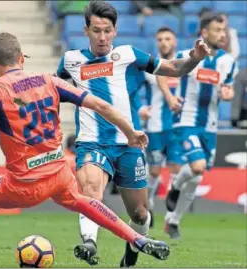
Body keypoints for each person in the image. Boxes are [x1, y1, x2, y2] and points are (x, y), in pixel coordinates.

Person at [0, 32, 171, 263]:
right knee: (84, 202)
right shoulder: (50, 80)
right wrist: (130, 131)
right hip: (59, 174)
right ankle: (136, 238)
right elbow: (101, 106)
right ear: (21, 58)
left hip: (23, 184)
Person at [56, 1, 210, 267]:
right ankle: (90, 244)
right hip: (92, 142)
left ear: (115, 31)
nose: (102, 36)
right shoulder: (71, 60)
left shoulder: (128, 54)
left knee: (140, 214)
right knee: (91, 191)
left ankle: (130, 255)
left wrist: (194, 58)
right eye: (96, 30)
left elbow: (174, 68)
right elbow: (51, 90)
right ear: (86, 30)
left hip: (128, 144)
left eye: (107, 30)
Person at [164, 13, 237, 239]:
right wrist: (169, 97)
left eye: (223, 30)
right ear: (204, 33)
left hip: (210, 127)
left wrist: (227, 93)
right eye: (217, 30)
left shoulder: (228, 61)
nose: (222, 34)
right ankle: (175, 185)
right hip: (186, 120)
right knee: (197, 167)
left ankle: (173, 220)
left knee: (197, 178)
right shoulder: (186, 55)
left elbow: (228, 89)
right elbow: (162, 74)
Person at [138, 27, 184, 229]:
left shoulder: (184, 66)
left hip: (178, 126)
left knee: (177, 169)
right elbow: (132, 91)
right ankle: (148, 204)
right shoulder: (150, 67)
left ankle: (171, 215)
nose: (164, 42)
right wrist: (140, 108)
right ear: (156, 43)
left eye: (168, 38)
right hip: (155, 126)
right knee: (154, 171)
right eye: (160, 39)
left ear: (174, 42)